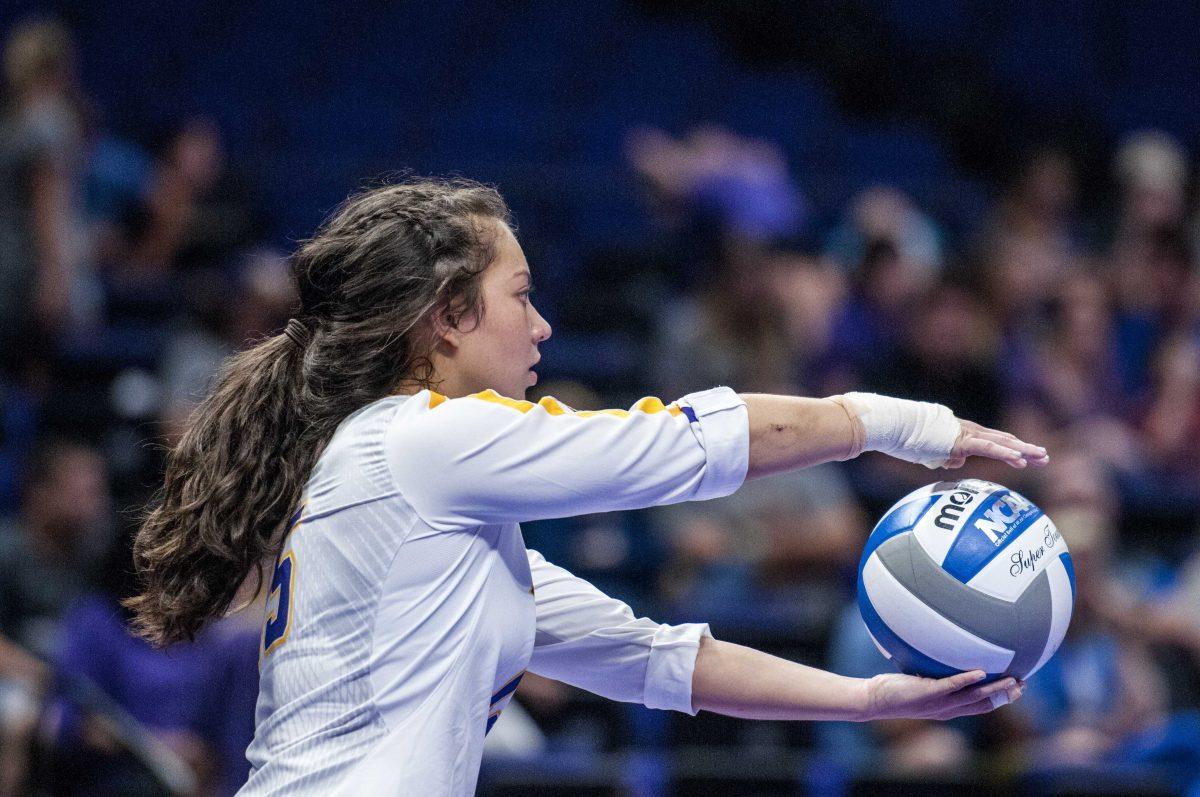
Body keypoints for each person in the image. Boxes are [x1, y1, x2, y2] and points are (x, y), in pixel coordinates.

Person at [125, 178, 1046, 795]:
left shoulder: (444, 521)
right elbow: (680, 446)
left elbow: (658, 660)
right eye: (521, 295)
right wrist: (898, 423)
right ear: (447, 318)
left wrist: (869, 699)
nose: (543, 325)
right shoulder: (419, 445)